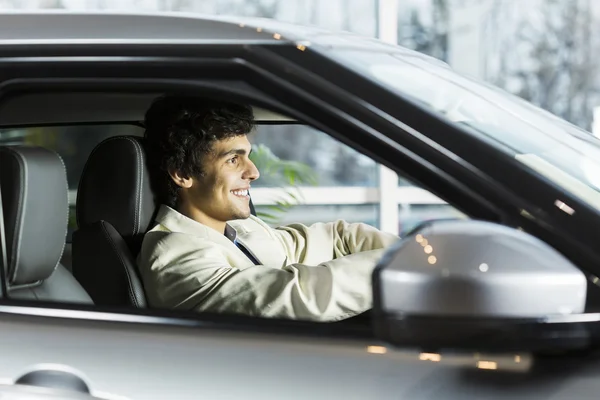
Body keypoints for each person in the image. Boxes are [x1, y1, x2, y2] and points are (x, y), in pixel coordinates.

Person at [138, 95, 399, 322]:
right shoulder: (173, 255)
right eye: (232, 160)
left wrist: (406, 252)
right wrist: (403, 267)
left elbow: (338, 237)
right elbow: (299, 296)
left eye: (248, 156)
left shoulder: (242, 227)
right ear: (182, 173)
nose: (253, 172)